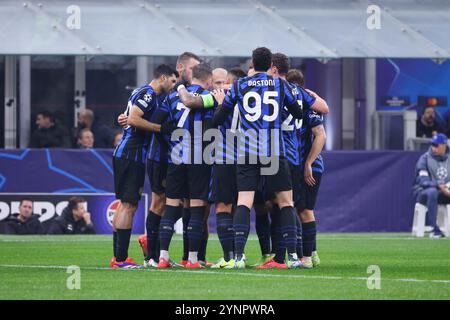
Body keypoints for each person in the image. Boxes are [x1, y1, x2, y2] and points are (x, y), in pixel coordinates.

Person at [210, 47, 305, 269]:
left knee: (244, 200)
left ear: (252, 63)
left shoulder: (240, 85)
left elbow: (219, 117)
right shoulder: (280, 84)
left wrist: (221, 107)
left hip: (247, 150)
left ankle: (240, 257)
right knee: (285, 201)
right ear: (270, 63)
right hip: (273, 149)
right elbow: (298, 113)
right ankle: (292, 257)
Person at [255, 54, 328, 269]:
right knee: (286, 205)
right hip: (291, 157)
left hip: (285, 156)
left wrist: (309, 162)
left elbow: (320, 129)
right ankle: (298, 256)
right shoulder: (300, 95)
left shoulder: (271, 93)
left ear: (274, 69)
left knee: (291, 206)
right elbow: (324, 108)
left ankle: (297, 256)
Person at [152, 63, 219, 269]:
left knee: (171, 207)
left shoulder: (172, 97)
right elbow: (214, 124)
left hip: (176, 156)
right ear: (208, 80)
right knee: (197, 210)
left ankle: (162, 257)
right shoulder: (209, 97)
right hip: (200, 157)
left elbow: (157, 123)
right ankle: (191, 259)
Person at [111, 64, 178, 268]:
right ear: (163, 77)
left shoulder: (144, 93)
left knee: (126, 204)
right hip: (131, 153)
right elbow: (132, 118)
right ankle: (121, 259)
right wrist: (160, 128)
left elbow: (127, 117)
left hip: (131, 154)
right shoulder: (148, 93)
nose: (174, 85)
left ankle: (119, 257)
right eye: (173, 81)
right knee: (128, 205)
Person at [287, 68, 327, 268]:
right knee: (297, 208)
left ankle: (306, 257)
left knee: (302, 209)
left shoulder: (304, 105)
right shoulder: (310, 101)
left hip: (305, 165)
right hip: (303, 164)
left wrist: (308, 163)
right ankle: (311, 252)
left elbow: (321, 134)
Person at [413, 133, 450, 238]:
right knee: (432, 192)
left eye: (436, 145)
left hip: (446, 192)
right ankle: (435, 229)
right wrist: (438, 186)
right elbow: (422, 181)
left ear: (444, 145)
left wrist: (447, 189)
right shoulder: (424, 159)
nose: (433, 148)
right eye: (432, 145)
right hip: (424, 192)